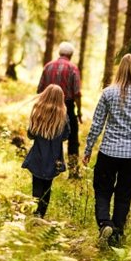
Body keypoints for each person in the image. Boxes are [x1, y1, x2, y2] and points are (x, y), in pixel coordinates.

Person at [82, 54, 131, 246]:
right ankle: (116, 233)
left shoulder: (108, 93)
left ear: (121, 69)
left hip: (108, 152)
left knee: (102, 190)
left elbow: (97, 124)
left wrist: (88, 149)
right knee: (124, 195)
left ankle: (104, 223)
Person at [22, 85, 71, 219]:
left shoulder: (38, 113)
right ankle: (41, 214)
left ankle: (35, 212)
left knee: (36, 184)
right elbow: (66, 136)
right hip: (54, 158)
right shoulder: (63, 117)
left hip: (37, 156)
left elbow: (31, 135)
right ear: (61, 99)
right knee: (47, 187)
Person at [38, 42, 83, 175]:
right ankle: (74, 171)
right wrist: (79, 111)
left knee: (46, 135)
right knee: (72, 137)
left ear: (59, 53)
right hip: (66, 106)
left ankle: (44, 167)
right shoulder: (73, 68)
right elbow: (77, 93)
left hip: (47, 105)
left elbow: (39, 90)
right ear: (71, 54)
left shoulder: (48, 66)